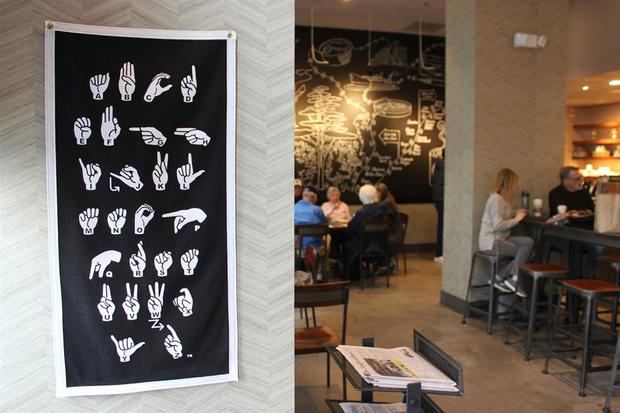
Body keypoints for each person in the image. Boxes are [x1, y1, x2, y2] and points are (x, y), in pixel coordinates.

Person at [479, 168, 534, 297]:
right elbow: (498, 225)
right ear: (509, 183)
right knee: (529, 253)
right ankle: (514, 278)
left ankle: (501, 276)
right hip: (492, 242)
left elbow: (503, 214)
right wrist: (517, 219)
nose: (516, 187)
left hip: (502, 239)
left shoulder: (503, 199)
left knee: (528, 242)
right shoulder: (496, 199)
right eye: (515, 183)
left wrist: (516, 212)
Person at [548, 166, 601, 277]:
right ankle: (573, 281)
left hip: (585, 233)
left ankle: (586, 278)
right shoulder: (555, 194)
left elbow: (593, 211)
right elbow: (562, 216)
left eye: (580, 177)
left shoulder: (584, 193)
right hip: (564, 233)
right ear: (565, 180)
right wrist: (574, 214)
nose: (580, 181)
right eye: (576, 179)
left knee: (598, 247)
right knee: (574, 248)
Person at [346, 184, 387, 277]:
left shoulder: (361, 213)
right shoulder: (382, 212)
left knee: (346, 242)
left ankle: (352, 274)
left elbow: (351, 230)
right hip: (381, 246)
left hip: (362, 247)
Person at [294, 186, 327, 253]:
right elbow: (325, 225)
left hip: (295, 248)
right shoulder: (317, 209)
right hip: (313, 248)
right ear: (313, 197)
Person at [375, 183, 404, 253]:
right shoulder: (388, 200)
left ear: (380, 193)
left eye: (376, 192)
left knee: (370, 240)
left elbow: (379, 218)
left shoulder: (385, 203)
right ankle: (381, 260)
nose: (374, 195)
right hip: (393, 233)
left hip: (392, 236)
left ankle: (382, 260)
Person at [431, 151, 445, 263]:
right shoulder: (445, 165)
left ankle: (439, 253)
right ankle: (440, 253)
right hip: (443, 198)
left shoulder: (438, 164)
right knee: (443, 226)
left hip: (438, 198)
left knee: (441, 225)